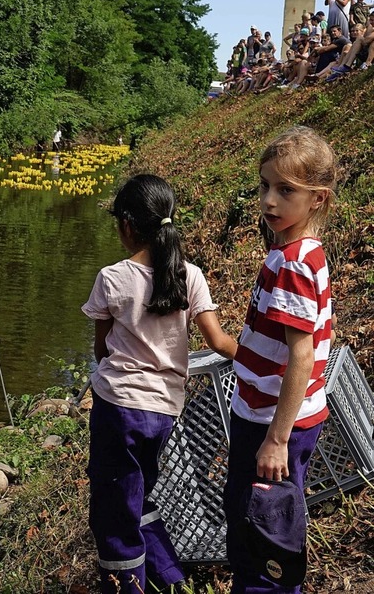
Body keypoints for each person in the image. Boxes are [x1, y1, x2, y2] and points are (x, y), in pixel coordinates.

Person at [82, 174, 238, 593]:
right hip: (165, 411)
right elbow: (220, 341)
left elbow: (102, 351)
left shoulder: (113, 278)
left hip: (119, 409)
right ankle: (170, 578)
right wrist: (270, 363)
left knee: (113, 512)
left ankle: (125, 587)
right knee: (137, 494)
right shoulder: (191, 276)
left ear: (128, 225)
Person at [223, 127, 338, 594]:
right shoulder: (303, 252)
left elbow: (302, 356)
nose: (270, 200)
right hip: (290, 416)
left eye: (286, 190)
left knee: (261, 531)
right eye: (264, 185)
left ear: (317, 199)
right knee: (269, 521)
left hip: (273, 422)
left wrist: (275, 439)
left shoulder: (292, 262)